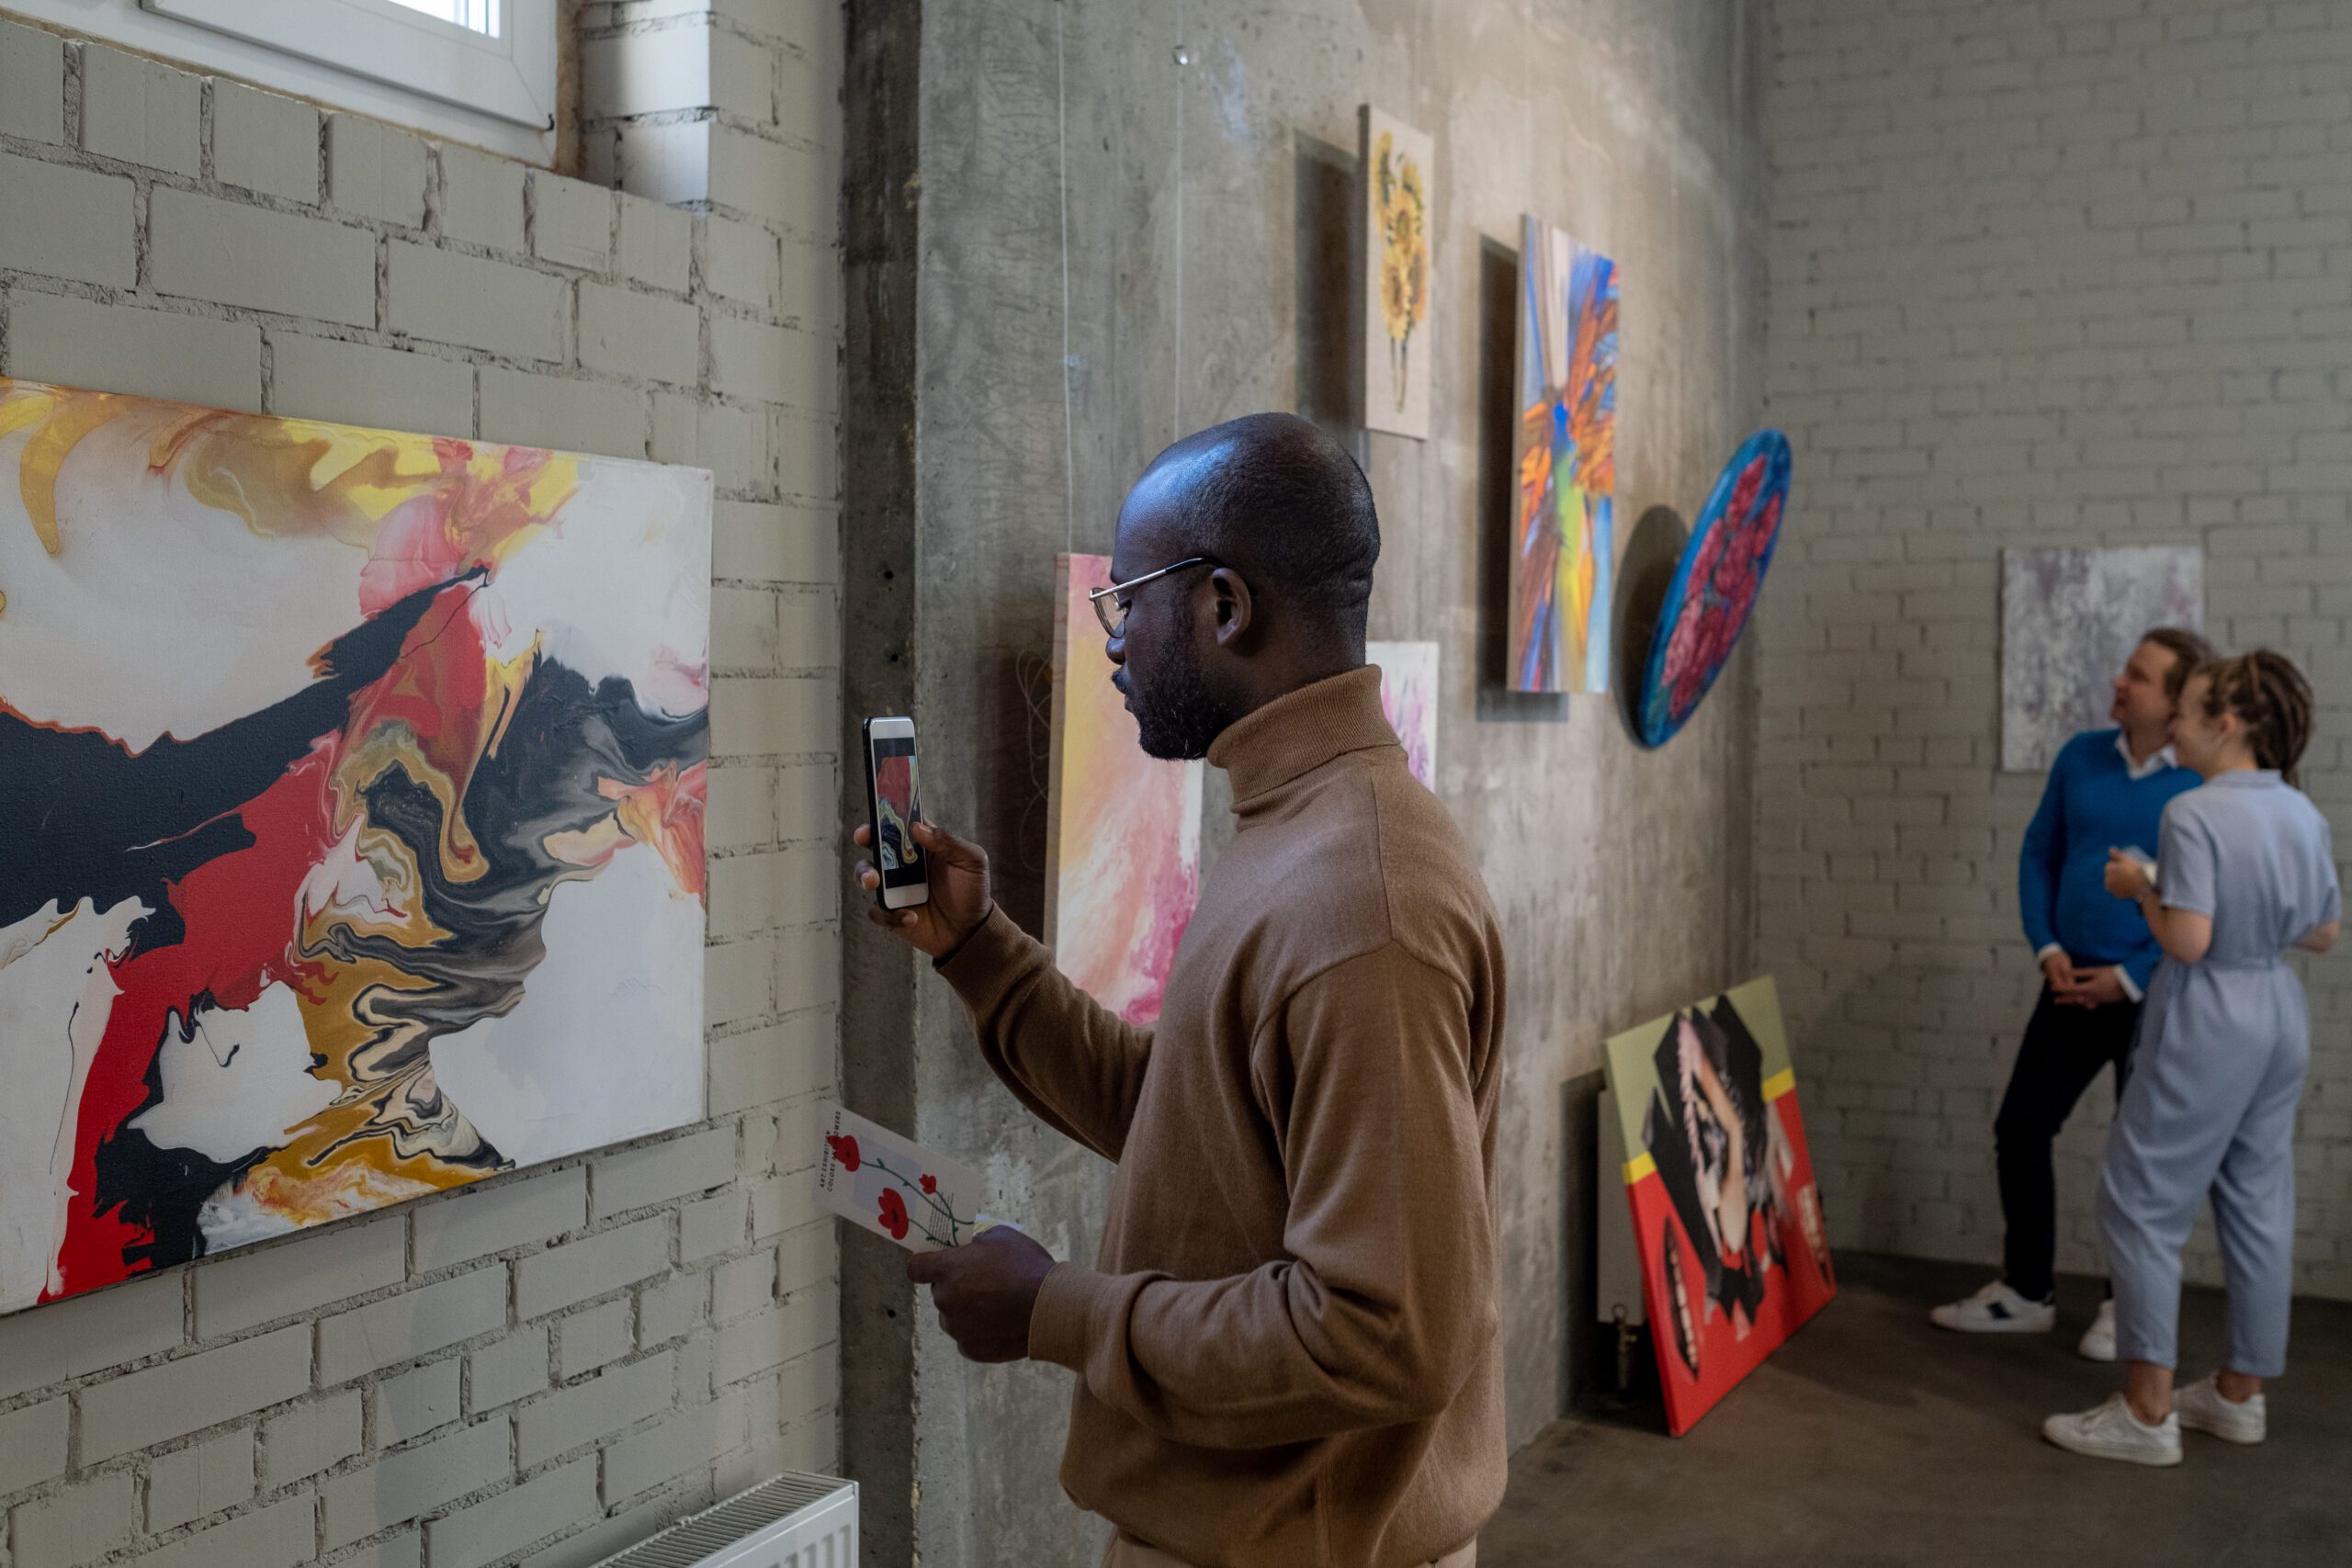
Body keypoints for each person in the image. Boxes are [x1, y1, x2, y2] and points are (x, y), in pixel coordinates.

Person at [849, 412, 1505, 1567]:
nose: (1113, 642)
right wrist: (975, 948)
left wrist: (1054, 1308)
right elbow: (1192, 1119)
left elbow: (1384, 1331)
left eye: (1126, 600)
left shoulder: (1362, 904)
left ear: (1224, 606)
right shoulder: (1296, 830)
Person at [2044, 650, 2339, 1465]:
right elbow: (2321, 931)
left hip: (2209, 1012)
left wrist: (2142, 885)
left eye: (2191, 706)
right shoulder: (2300, 811)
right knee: (2257, 1199)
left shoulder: (2193, 811)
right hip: (2277, 1009)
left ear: (2228, 723)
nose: (2174, 718)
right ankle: (2240, 1395)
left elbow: (2188, 939)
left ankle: (2147, 1412)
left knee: (2139, 1200)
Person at [1932, 628, 2209, 1352]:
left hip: (2153, 996)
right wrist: (2048, 947)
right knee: (2022, 1126)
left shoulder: (2199, 783)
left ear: (2174, 701)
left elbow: (2206, 903)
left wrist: (2130, 976)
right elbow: (2039, 853)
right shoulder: (2081, 755)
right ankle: (2027, 1291)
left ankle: (2128, 1306)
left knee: (2139, 1155)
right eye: (2126, 669)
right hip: (2068, 982)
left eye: (2138, 676)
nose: (2119, 681)